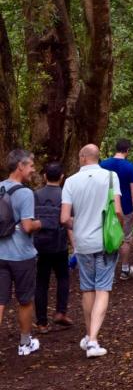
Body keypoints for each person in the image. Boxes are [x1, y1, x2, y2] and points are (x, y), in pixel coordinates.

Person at [61, 144, 123, 358]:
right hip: (105, 241)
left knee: (87, 288)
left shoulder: (70, 181)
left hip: (83, 243)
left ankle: (89, 336)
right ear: (97, 157)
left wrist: (77, 225)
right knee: (103, 289)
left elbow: (64, 218)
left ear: (82, 157)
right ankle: (93, 341)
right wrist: (120, 226)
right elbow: (117, 210)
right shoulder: (110, 177)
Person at [0, 149, 42, 356]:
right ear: (20, 166)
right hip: (22, 255)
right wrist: (39, 223)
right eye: (31, 166)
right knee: (25, 299)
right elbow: (27, 226)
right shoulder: (25, 193)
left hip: (0, 254)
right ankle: (25, 343)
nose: (33, 170)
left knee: (0, 300)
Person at [33, 162, 73, 334]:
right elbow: (68, 221)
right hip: (59, 244)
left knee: (41, 282)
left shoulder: (35, 195)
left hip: (40, 244)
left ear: (44, 176)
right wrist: (74, 244)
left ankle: (41, 322)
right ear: (62, 177)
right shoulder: (65, 195)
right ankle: (61, 312)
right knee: (63, 278)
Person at [101, 139, 133, 280]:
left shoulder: (103, 164)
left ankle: (107, 270)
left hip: (106, 207)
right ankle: (124, 269)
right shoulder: (130, 167)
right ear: (127, 150)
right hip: (125, 207)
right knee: (125, 239)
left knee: (107, 236)